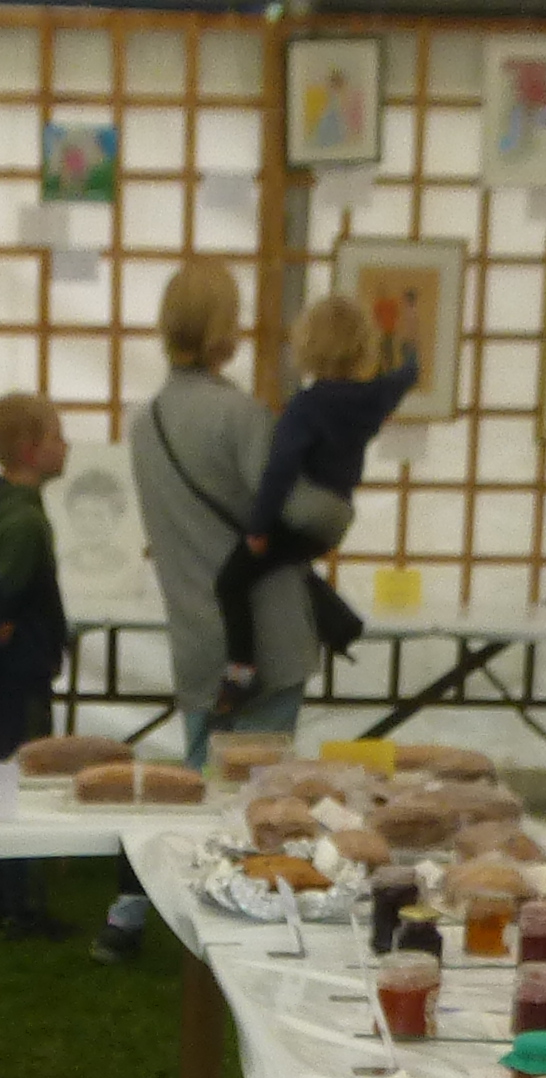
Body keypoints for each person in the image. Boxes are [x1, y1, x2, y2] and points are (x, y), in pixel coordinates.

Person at [128, 263, 314, 770]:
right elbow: (294, 513)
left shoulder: (145, 424)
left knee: (199, 785)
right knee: (257, 792)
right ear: (223, 329)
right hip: (265, 635)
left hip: (194, 634)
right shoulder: (242, 415)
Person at [210, 294, 416, 717]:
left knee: (233, 580)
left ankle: (240, 671)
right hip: (338, 516)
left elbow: (280, 470)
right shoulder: (373, 397)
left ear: (305, 347)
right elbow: (405, 376)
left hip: (305, 510)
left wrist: (258, 528)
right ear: (361, 348)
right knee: (285, 566)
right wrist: (406, 347)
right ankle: (337, 621)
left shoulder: (306, 407)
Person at [0, 393, 71, 941]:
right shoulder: (25, 522)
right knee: (22, 784)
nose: (66, 446)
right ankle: (19, 907)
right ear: (30, 450)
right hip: (17, 676)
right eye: (57, 436)